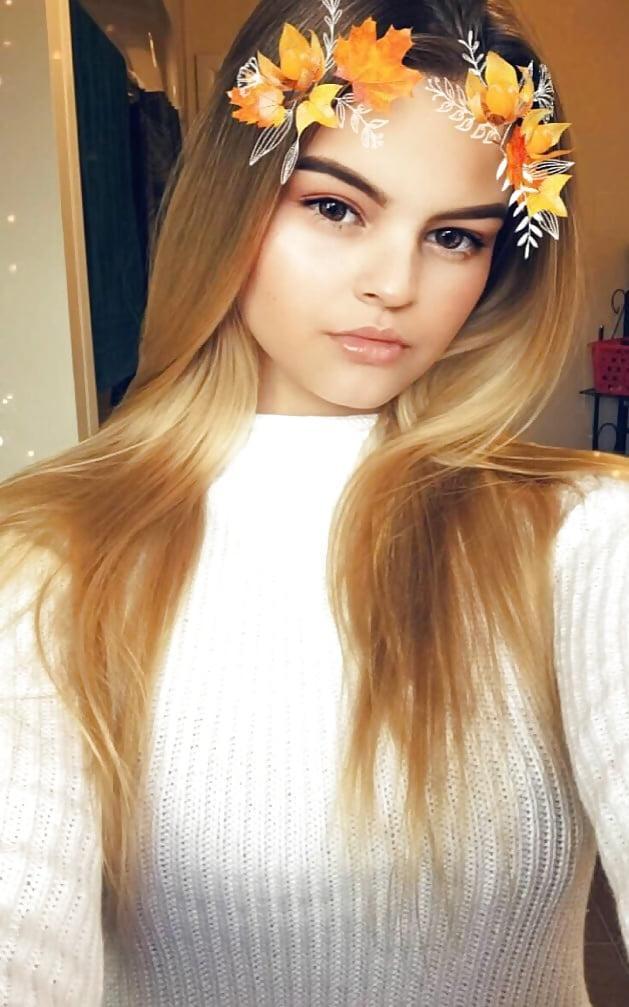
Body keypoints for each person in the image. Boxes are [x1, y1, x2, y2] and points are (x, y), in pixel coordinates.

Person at [1, 0, 628, 1003]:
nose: (394, 283)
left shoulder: (588, 533)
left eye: (454, 236)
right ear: (234, 204)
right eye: (334, 207)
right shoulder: (46, 554)